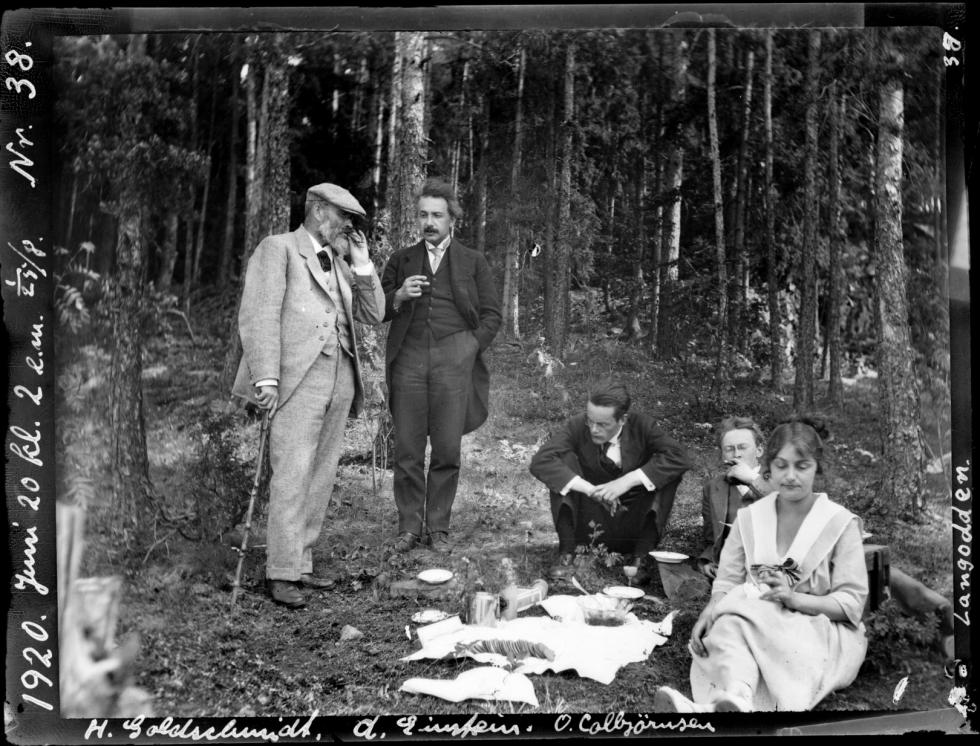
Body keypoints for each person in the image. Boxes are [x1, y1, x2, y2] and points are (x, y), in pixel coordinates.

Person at [232, 183, 385, 608]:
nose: (349, 226)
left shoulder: (340, 261)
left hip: (340, 377)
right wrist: (265, 378)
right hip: (296, 377)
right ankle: (280, 572)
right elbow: (259, 312)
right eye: (343, 217)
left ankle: (301, 563)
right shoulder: (277, 248)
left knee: (320, 475)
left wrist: (363, 263)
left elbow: (374, 315)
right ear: (318, 211)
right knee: (293, 473)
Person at [655, 417, 868, 712]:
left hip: (818, 627)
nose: (790, 476)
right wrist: (711, 607)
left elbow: (851, 606)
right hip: (755, 615)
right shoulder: (751, 518)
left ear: (817, 469)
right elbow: (728, 581)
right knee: (729, 620)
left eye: (801, 466)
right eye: (781, 466)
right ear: (769, 468)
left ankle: (724, 703)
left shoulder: (840, 523)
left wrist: (793, 598)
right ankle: (733, 700)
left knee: (740, 614)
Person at [381, 178, 501, 553]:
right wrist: (398, 295)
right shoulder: (401, 260)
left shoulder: (473, 261)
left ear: (452, 219)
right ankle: (408, 528)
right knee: (408, 451)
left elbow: (492, 316)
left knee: (447, 450)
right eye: (423, 215)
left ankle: (438, 529)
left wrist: (468, 347)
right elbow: (377, 308)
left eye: (437, 215)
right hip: (409, 363)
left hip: (454, 365)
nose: (429, 222)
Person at [529, 382, 692, 582]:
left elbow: (680, 458)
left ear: (622, 419)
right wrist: (589, 489)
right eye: (590, 421)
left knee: (666, 472)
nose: (593, 429)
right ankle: (567, 556)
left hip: (632, 524)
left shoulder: (643, 427)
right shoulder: (577, 426)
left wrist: (628, 481)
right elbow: (540, 462)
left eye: (603, 424)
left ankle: (640, 559)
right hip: (590, 523)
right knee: (561, 463)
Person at [698, 417, 775, 579]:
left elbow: (792, 510)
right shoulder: (713, 488)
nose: (737, 454)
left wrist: (752, 480)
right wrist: (707, 562)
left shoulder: (779, 480)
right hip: (730, 570)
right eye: (729, 449)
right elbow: (711, 538)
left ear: (759, 450)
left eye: (742, 447)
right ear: (722, 455)